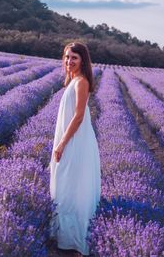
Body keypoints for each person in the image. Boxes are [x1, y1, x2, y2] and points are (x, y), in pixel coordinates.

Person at [49, 41, 101, 256]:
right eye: (67, 57)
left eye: (74, 58)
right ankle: (65, 236)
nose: (69, 61)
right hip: (70, 138)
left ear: (83, 61)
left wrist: (62, 143)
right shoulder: (72, 81)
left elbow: (78, 117)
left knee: (71, 184)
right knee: (66, 183)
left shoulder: (81, 82)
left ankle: (75, 240)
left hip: (74, 140)